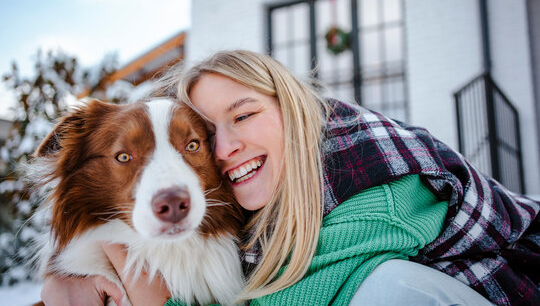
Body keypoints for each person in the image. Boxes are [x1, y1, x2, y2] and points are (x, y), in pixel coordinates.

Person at [41, 50, 540, 306]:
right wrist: (66, 274)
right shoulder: (262, 206)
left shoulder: (380, 180)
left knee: (385, 290)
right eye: (204, 135)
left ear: (294, 111)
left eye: (244, 115)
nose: (223, 148)